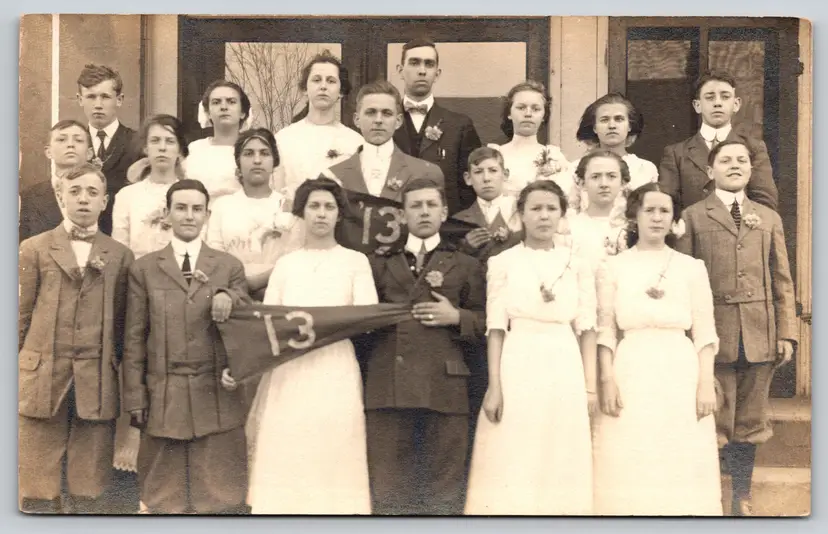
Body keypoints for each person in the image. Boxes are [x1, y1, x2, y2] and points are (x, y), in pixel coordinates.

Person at [676, 140, 797, 516]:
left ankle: (740, 497)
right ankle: (708, 496)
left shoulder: (768, 217)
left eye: (741, 160)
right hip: (715, 333)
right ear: (710, 171)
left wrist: (786, 332)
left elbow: (782, 279)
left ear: (750, 170)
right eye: (725, 160)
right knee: (714, 419)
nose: (734, 165)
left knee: (750, 420)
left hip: (759, 333)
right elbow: (682, 279)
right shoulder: (694, 216)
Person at [245, 177, 376, 515]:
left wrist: (324, 328)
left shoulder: (355, 262)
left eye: (329, 207)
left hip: (335, 365)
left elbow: (365, 318)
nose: (321, 214)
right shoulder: (288, 264)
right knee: (289, 441)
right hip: (290, 368)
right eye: (314, 206)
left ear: (339, 214)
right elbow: (270, 320)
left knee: (333, 442)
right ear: (301, 213)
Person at [465, 180, 596, 516]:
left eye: (551, 209)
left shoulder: (577, 262)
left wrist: (589, 387)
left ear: (562, 215)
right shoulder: (504, 261)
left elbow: (586, 327)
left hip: (563, 360)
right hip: (518, 359)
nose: (543, 216)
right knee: (515, 447)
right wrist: (495, 386)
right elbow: (496, 327)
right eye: (535, 208)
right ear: (520, 215)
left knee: (559, 448)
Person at [591, 182, 722, 516]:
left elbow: (704, 330)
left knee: (678, 452)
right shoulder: (613, 266)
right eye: (649, 210)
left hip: (679, 367)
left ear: (674, 218)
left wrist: (705, 382)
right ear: (635, 214)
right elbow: (606, 328)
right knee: (631, 451)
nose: (657, 217)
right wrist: (607, 378)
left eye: (665, 211)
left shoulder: (691, 267)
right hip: (632, 364)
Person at [123, 179, 250, 514]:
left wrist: (229, 296)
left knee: (220, 496)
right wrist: (136, 397)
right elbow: (134, 338)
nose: (189, 215)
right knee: (165, 498)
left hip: (216, 398)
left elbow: (246, 322)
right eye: (181, 207)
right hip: (164, 396)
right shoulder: (145, 269)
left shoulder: (228, 267)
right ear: (167, 214)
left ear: (208, 214)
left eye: (197, 209)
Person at [363, 177, 486, 515]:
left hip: (444, 387)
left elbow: (488, 322)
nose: (424, 212)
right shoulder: (378, 262)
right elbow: (358, 323)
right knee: (389, 490)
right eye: (415, 205)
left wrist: (456, 317)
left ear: (444, 212)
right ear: (401, 215)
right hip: (389, 387)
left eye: (431, 204)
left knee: (443, 491)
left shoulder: (466, 264)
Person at [18, 162, 133, 514]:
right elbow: (18, 318)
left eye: (92, 192)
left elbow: (122, 326)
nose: (83, 199)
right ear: (59, 196)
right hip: (42, 377)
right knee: (36, 485)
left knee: (90, 487)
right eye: (75, 191)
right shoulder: (33, 249)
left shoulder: (120, 255)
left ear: (105, 201)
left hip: (96, 379)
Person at [659, 71, 778, 212]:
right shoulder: (677, 153)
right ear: (697, 105)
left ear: (736, 104)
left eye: (725, 97)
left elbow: (765, 203)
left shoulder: (753, 148)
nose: (717, 103)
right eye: (710, 97)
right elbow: (667, 205)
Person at [206, 128, 302, 302]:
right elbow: (215, 259)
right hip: (231, 299)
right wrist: (239, 287)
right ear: (238, 163)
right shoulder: (223, 206)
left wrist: (253, 283)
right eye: (249, 154)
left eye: (264, 153)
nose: (257, 160)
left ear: (274, 163)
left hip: (279, 298)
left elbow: (295, 260)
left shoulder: (290, 206)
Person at [392, 37, 482, 215]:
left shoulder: (460, 126)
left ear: (437, 73)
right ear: (400, 71)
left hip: (445, 228)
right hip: (394, 224)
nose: (422, 71)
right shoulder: (383, 122)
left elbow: (470, 186)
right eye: (414, 63)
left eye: (429, 64)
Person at [322, 79, 444, 201]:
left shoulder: (426, 173)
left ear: (398, 121)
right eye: (371, 112)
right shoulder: (332, 177)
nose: (378, 120)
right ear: (357, 119)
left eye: (387, 113)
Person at [275, 51, 363, 201]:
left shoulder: (355, 142)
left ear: (341, 91)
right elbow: (275, 193)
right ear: (304, 89)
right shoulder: (283, 139)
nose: (323, 86)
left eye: (331, 81)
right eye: (316, 80)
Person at [75, 64, 140, 235]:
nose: (98, 104)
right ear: (80, 99)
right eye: (91, 97)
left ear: (119, 99)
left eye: (105, 97)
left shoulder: (137, 142)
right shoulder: (73, 143)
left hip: (123, 233)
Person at [112, 114, 188, 259]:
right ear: (145, 148)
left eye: (170, 141)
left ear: (179, 150)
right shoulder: (127, 196)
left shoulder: (191, 194)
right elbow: (120, 247)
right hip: (138, 275)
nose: (162, 148)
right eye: (155, 141)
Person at [567, 93, 657, 212]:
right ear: (594, 128)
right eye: (604, 120)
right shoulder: (576, 167)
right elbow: (571, 211)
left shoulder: (645, 168)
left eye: (619, 119)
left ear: (630, 125)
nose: (612, 125)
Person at [487, 80, 569, 199]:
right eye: (521, 108)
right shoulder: (495, 154)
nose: (528, 114)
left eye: (536, 109)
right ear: (509, 113)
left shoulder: (554, 156)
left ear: (544, 116)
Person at [19, 120, 94, 242]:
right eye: (61, 140)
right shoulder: (28, 196)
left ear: (89, 153)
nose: (70, 145)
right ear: (48, 152)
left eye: (78, 140)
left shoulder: (103, 195)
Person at [454, 146, 523, 265]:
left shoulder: (521, 215)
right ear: (468, 178)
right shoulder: (458, 221)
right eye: (478, 172)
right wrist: (466, 248)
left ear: (505, 174)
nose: (486, 178)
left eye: (493, 170)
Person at [567, 150, 631, 274]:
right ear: (582, 183)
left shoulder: (632, 227)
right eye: (595, 177)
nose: (604, 184)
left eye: (611, 176)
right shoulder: (570, 227)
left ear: (623, 182)